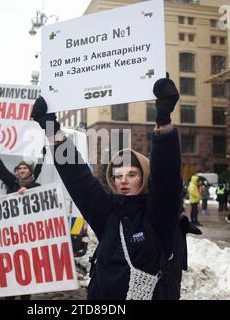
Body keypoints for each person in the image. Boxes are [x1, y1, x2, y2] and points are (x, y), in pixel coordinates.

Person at [31, 75, 201, 300]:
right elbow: (78, 179)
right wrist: (51, 128)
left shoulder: (159, 215)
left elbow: (166, 178)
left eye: (131, 174)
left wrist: (163, 118)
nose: (123, 180)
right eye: (117, 175)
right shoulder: (108, 212)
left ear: (144, 178)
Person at [0, 143, 45, 300]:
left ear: (30, 171)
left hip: (28, 236)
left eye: (25, 168)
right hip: (10, 235)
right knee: (9, 268)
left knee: (25, 270)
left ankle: (25, 296)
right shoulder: (13, 184)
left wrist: (42, 159)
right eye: (20, 169)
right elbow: (1, 171)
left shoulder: (36, 186)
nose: (22, 170)